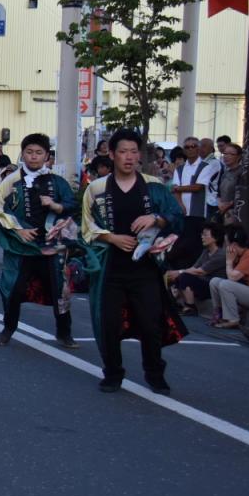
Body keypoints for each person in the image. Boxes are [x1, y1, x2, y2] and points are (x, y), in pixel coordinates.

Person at [80, 128, 187, 394]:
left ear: (139, 154)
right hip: (110, 268)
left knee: (151, 323)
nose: (129, 157)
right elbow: (85, 229)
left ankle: (155, 374)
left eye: (133, 152)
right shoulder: (96, 189)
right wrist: (112, 238)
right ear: (112, 155)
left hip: (146, 269)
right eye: (123, 152)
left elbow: (176, 215)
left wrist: (157, 219)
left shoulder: (153, 186)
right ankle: (113, 373)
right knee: (109, 324)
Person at [0, 132, 79, 348]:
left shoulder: (57, 182)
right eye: (29, 152)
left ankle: (64, 332)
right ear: (22, 154)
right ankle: (8, 328)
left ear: (47, 156)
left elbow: (72, 205)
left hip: (51, 246)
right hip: (21, 246)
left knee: (59, 290)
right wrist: (18, 230)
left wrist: (56, 206)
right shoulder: (10, 181)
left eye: (39, 152)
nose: (33, 157)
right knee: (13, 289)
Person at [170, 136, 219, 269]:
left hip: (197, 213)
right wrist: (180, 204)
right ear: (184, 150)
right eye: (187, 147)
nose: (190, 149)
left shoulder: (205, 166)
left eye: (193, 146)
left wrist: (179, 188)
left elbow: (198, 187)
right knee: (181, 245)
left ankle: (191, 273)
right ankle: (179, 273)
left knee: (194, 246)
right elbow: (175, 190)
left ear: (198, 149)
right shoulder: (179, 169)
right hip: (182, 213)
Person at [166, 222, 226, 315]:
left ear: (216, 238)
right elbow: (194, 267)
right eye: (202, 234)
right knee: (177, 276)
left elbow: (200, 271)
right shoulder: (206, 251)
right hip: (204, 284)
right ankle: (181, 304)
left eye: (205, 235)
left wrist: (179, 272)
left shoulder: (221, 255)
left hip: (213, 288)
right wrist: (177, 273)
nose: (202, 237)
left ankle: (191, 307)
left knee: (184, 277)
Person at [208, 229, 249, 329]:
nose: (225, 247)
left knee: (225, 284)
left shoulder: (248, 254)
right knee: (215, 281)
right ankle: (219, 314)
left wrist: (229, 262)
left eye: (227, 243)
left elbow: (232, 277)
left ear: (234, 245)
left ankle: (233, 320)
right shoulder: (240, 255)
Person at [216, 142, 242, 227]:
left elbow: (241, 194)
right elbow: (218, 192)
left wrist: (228, 205)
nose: (226, 156)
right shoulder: (225, 172)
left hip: (235, 214)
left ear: (238, 157)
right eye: (225, 153)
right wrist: (219, 202)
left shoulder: (242, 173)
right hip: (222, 211)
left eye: (231, 154)